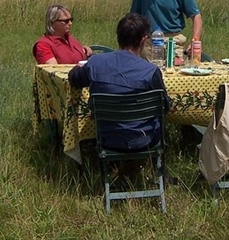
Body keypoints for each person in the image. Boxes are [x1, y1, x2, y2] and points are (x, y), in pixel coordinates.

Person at [68, 12, 171, 151]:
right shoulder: (151, 71)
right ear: (143, 40)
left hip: (106, 137)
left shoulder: (95, 63)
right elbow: (164, 106)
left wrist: (79, 66)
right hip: (145, 139)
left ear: (118, 37)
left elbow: (74, 79)